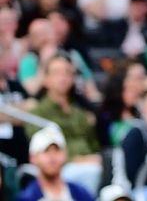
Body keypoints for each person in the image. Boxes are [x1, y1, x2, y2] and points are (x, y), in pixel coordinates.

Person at [24, 53, 103, 195]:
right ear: (46, 79)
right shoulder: (37, 113)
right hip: (58, 170)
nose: (63, 77)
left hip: (91, 166)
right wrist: (76, 159)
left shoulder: (80, 113)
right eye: (57, 72)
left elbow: (94, 146)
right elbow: (39, 151)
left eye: (68, 72)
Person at [16, 128, 94, 201]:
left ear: (65, 154)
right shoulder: (26, 198)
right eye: (46, 151)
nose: (52, 157)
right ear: (32, 158)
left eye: (57, 150)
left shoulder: (81, 194)